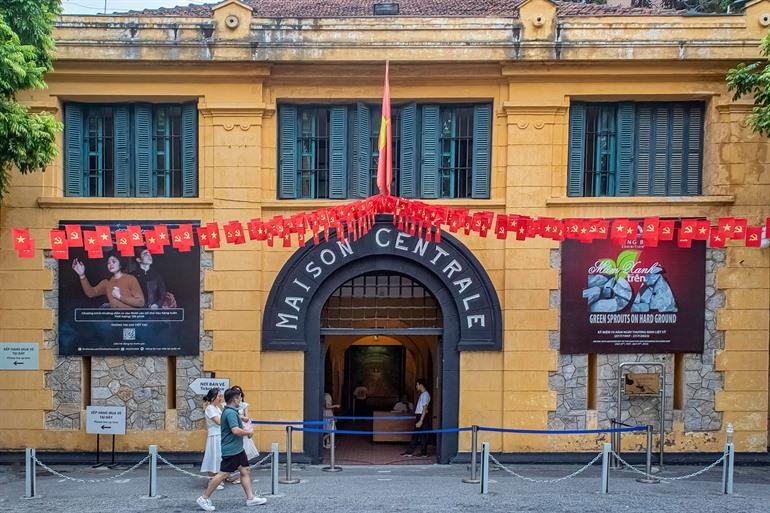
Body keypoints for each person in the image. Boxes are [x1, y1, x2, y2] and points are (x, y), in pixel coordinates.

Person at [196, 388, 266, 511]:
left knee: (245, 471)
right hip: (232, 449)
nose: (241, 400)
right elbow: (235, 430)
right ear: (234, 399)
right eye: (239, 398)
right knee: (223, 474)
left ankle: (250, 498)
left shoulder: (229, 411)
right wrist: (248, 432)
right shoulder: (230, 413)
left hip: (238, 449)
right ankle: (204, 498)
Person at [72, 253, 144, 309]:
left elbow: (141, 302)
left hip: (132, 319)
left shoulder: (131, 279)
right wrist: (82, 275)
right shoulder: (106, 282)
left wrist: (119, 297)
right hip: (115, 320)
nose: (110, 264)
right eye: (108, 263)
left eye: (113, 261)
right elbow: (91, 293)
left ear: (120, 264)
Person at [199, 388, 225, 490]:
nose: (220, 398)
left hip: (219, 435)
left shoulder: (217, 408)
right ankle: (212, 480)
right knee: (213, 457)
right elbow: (218, 421)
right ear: (213, 397)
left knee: (218, 457)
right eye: (219, 396)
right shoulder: (210, 408)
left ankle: (216, 479)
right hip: (214, 435)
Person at [401, 378, 431, 457]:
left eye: (417, 384)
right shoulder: (423, 394)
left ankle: (420, 452)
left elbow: (425, 408)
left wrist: (421, 420)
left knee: (421, 435)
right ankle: (415, 452)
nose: (416, 386)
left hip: (422, 416)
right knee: (418, 434)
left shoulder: (425, 395)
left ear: (421, 385)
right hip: (420, 416)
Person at [231, 385, 259, 468]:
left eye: (239, 392)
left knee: (243, 450)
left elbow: (247, 418)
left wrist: (240, 416)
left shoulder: (244, 405)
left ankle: (242, 469)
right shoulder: (227, 404)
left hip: (242, 428)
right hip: (232, 429)